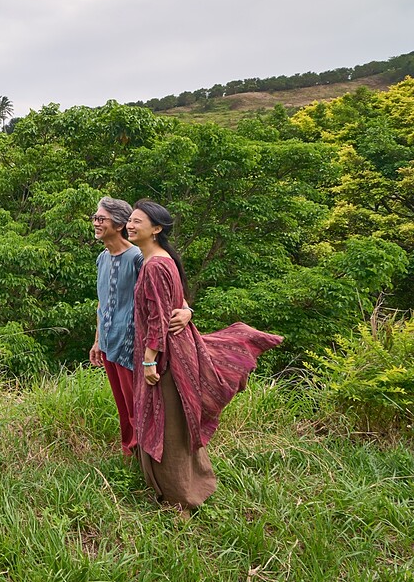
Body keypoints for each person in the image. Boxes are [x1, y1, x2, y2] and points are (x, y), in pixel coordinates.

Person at [126, 200, 283, 509]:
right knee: (173, 419)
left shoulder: (155, 265)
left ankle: (180, 499)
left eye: (137, 221)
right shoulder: (160, 260)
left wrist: (148, 359)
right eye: (129, 220)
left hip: (166, 357)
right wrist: (186, 310)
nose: (130, 225)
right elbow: (175, 302)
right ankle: (183, 486)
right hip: (174, 350)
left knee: (168, 424)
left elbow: (159, 318)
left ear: (156, 229)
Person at [88, 197, 190, 457]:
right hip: (109, 342)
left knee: (137, 406)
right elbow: (103, 302)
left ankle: (141, 459)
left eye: (101, 218)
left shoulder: (138, 257)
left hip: (131, 345)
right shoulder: (102, 258)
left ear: (118, 224)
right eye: (95, 218)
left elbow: (164, 296)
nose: (96, 223)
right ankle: (128, 453)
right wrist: (98, 340)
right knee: (122, 406)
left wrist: (187, 311)